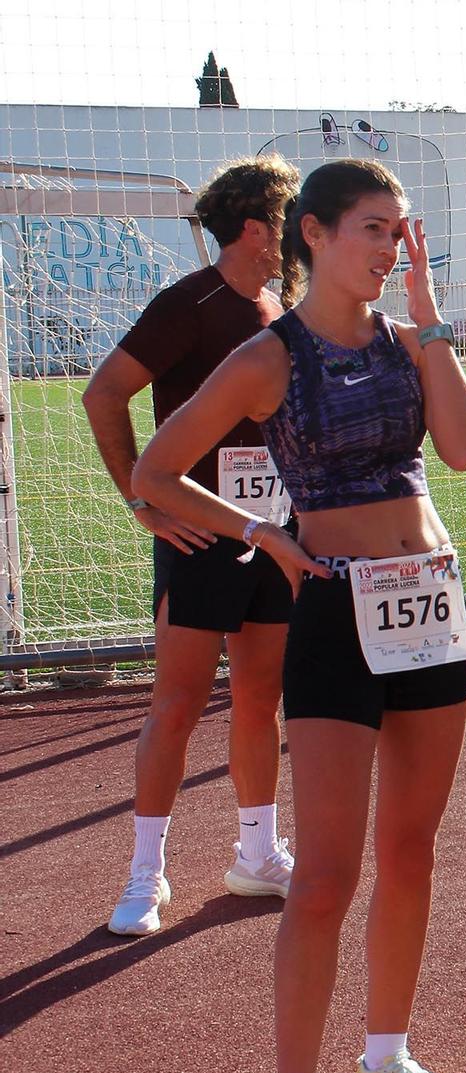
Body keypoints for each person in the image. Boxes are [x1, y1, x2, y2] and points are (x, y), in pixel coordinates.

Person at [132, 158, 466, 1073]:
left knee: (410, 851)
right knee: (326, 873)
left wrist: (427, 319)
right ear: (316, 235)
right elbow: (159, 469)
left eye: (401, 231)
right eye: (374, 230)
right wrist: (263, 535)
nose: (390, 247)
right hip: (336, 611)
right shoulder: (267, 355)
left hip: (428, 604)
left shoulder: (404, 339)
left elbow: (463, 451)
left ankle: (384, 1064)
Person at [84, 155, 301, 936]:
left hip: (273, 531)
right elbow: (104, 392)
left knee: (258, 697)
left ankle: (257, 855)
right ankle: (146, 874)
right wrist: (140, 497)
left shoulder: (283, 303)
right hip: (199, 531)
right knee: (175, 704)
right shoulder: (188, 303)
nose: (295, 234)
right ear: (255, 228)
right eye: (286, 221)